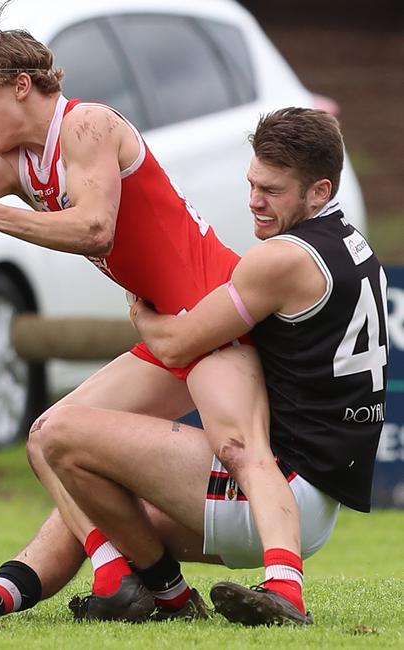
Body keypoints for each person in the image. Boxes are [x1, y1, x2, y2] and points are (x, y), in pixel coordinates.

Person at [0, 2, 301, 624]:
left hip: (213, 315)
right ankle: (138, 587)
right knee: (47, 439)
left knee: (239, 446)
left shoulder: (88, 125)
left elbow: (94, 229)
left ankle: (286, 593)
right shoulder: (19, 158)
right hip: (167, 326)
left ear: (22, 86)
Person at [32, 106, 389, 626]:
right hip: (312, 503)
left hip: (275, 500)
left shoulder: (282, 258)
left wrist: (143, 312)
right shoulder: (355, 247)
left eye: (272, 190)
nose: (255, 202)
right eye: (252, 184)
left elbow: (178, 345)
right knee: (97, 503)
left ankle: (183, 595)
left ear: (319, 191)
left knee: (58, 432)